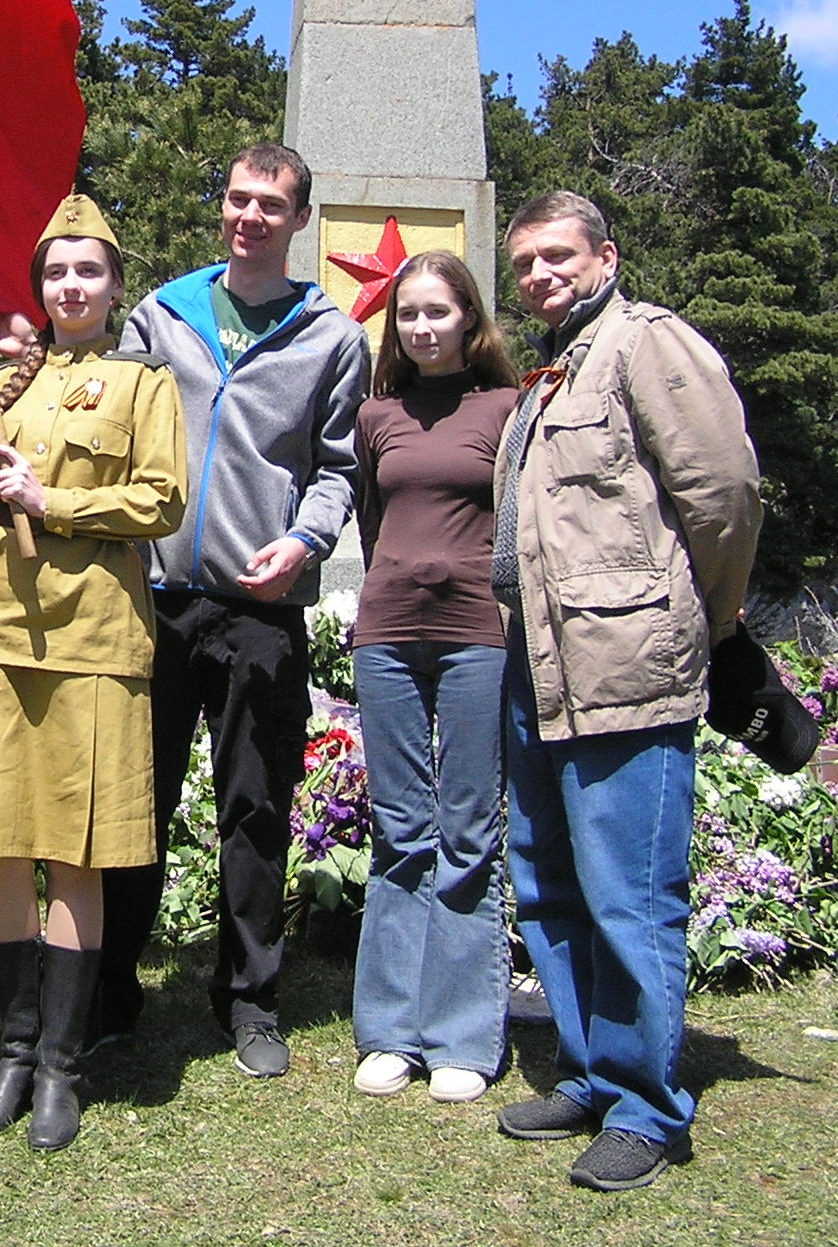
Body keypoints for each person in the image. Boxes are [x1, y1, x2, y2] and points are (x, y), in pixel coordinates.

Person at [492, 191, 761, 1193]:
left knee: (629, 891)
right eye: (523, 261)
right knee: (548, 883)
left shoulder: (646, 344)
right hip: (539, 665)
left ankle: (645, 1102)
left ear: (605, 252)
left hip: (625, 667)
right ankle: (590, 1068)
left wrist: (708, 624)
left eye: (556, 254)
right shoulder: (553, 366)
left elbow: (722, 493)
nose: (538, 274)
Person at [97, 143, 369, 1078]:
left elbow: (339, 468)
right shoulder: (161, 313)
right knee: (139, 801)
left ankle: (250, 1000)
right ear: (222, 206)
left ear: (299, 221)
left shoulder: (331, 336)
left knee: (255, 806)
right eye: (237, 198)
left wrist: (305, 542)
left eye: (271, 204)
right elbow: (108, 425)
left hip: (262, 607)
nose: (249, 216)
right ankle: (110, 991)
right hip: (155, 598)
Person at [0, 195, 186, 1152]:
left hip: (95, 635)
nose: (71, 286)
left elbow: (162, 498)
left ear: (116, 286)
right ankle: (16, 1052)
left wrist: (55, 499)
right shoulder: (4, 378)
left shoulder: (143, 383)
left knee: (74, 849)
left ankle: (65, 1068)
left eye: (89, 271)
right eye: (57, 272)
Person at [348, 251, 521, 1105]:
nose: (422, 327)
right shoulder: (377, 414)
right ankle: (390, 1032)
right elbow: (376, 521)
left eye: (438, 312)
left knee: (467, 832)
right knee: (400, 832)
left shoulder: (507, 408)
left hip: (474, 638)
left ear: (468, 319)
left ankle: (460, 1035)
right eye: (409, 313)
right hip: (386, 636)